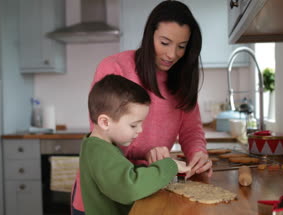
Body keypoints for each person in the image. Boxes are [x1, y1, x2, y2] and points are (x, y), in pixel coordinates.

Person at [72, 0, 212, 213]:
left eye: (181, 46)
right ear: (150, 36)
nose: (172, 54)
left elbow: (191, 130)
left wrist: (198, 154)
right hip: (109, 199)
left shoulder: (182, 79)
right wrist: (153, 159)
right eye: (165, 43)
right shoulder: (115, 67)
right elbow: (105, 137)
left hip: (151, 188)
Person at [74, 74, 190, 215]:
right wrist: (169, 166)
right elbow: (129, 188)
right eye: (133, 125)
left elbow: (122, 174)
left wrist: (155, 172)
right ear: (105, 122)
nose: (140, 130)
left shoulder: (99, 146)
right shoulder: (100, 152)